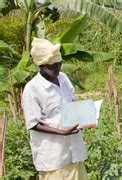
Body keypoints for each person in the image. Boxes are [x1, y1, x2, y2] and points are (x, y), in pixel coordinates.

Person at [22, 38, 88, 179]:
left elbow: (70, 105)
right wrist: (61, 132)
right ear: (41, 65)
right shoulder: (32, 89)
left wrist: (84, 118)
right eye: (52, 66)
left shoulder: (63, 78)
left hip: (74, 153)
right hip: (54, 156)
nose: (57, 68)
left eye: (59, 64)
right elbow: (33, 123)